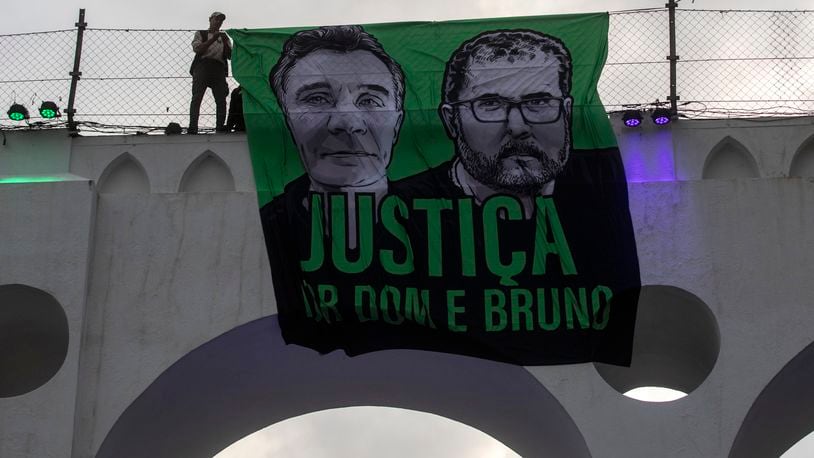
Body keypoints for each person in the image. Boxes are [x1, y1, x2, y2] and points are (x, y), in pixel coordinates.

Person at [188, 11, 231, 134]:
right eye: (216, 19)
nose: (218, 22)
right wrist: (213, 39)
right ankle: (193, 127)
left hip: (219, 67)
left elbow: (230, 55)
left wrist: (224, 40)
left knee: (221, 98)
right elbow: (198, 49)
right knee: (197, 97)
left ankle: (220, 127)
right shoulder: (201, 33)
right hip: (203, 66)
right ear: (210, 19)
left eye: (221, 20)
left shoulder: (224, 37)